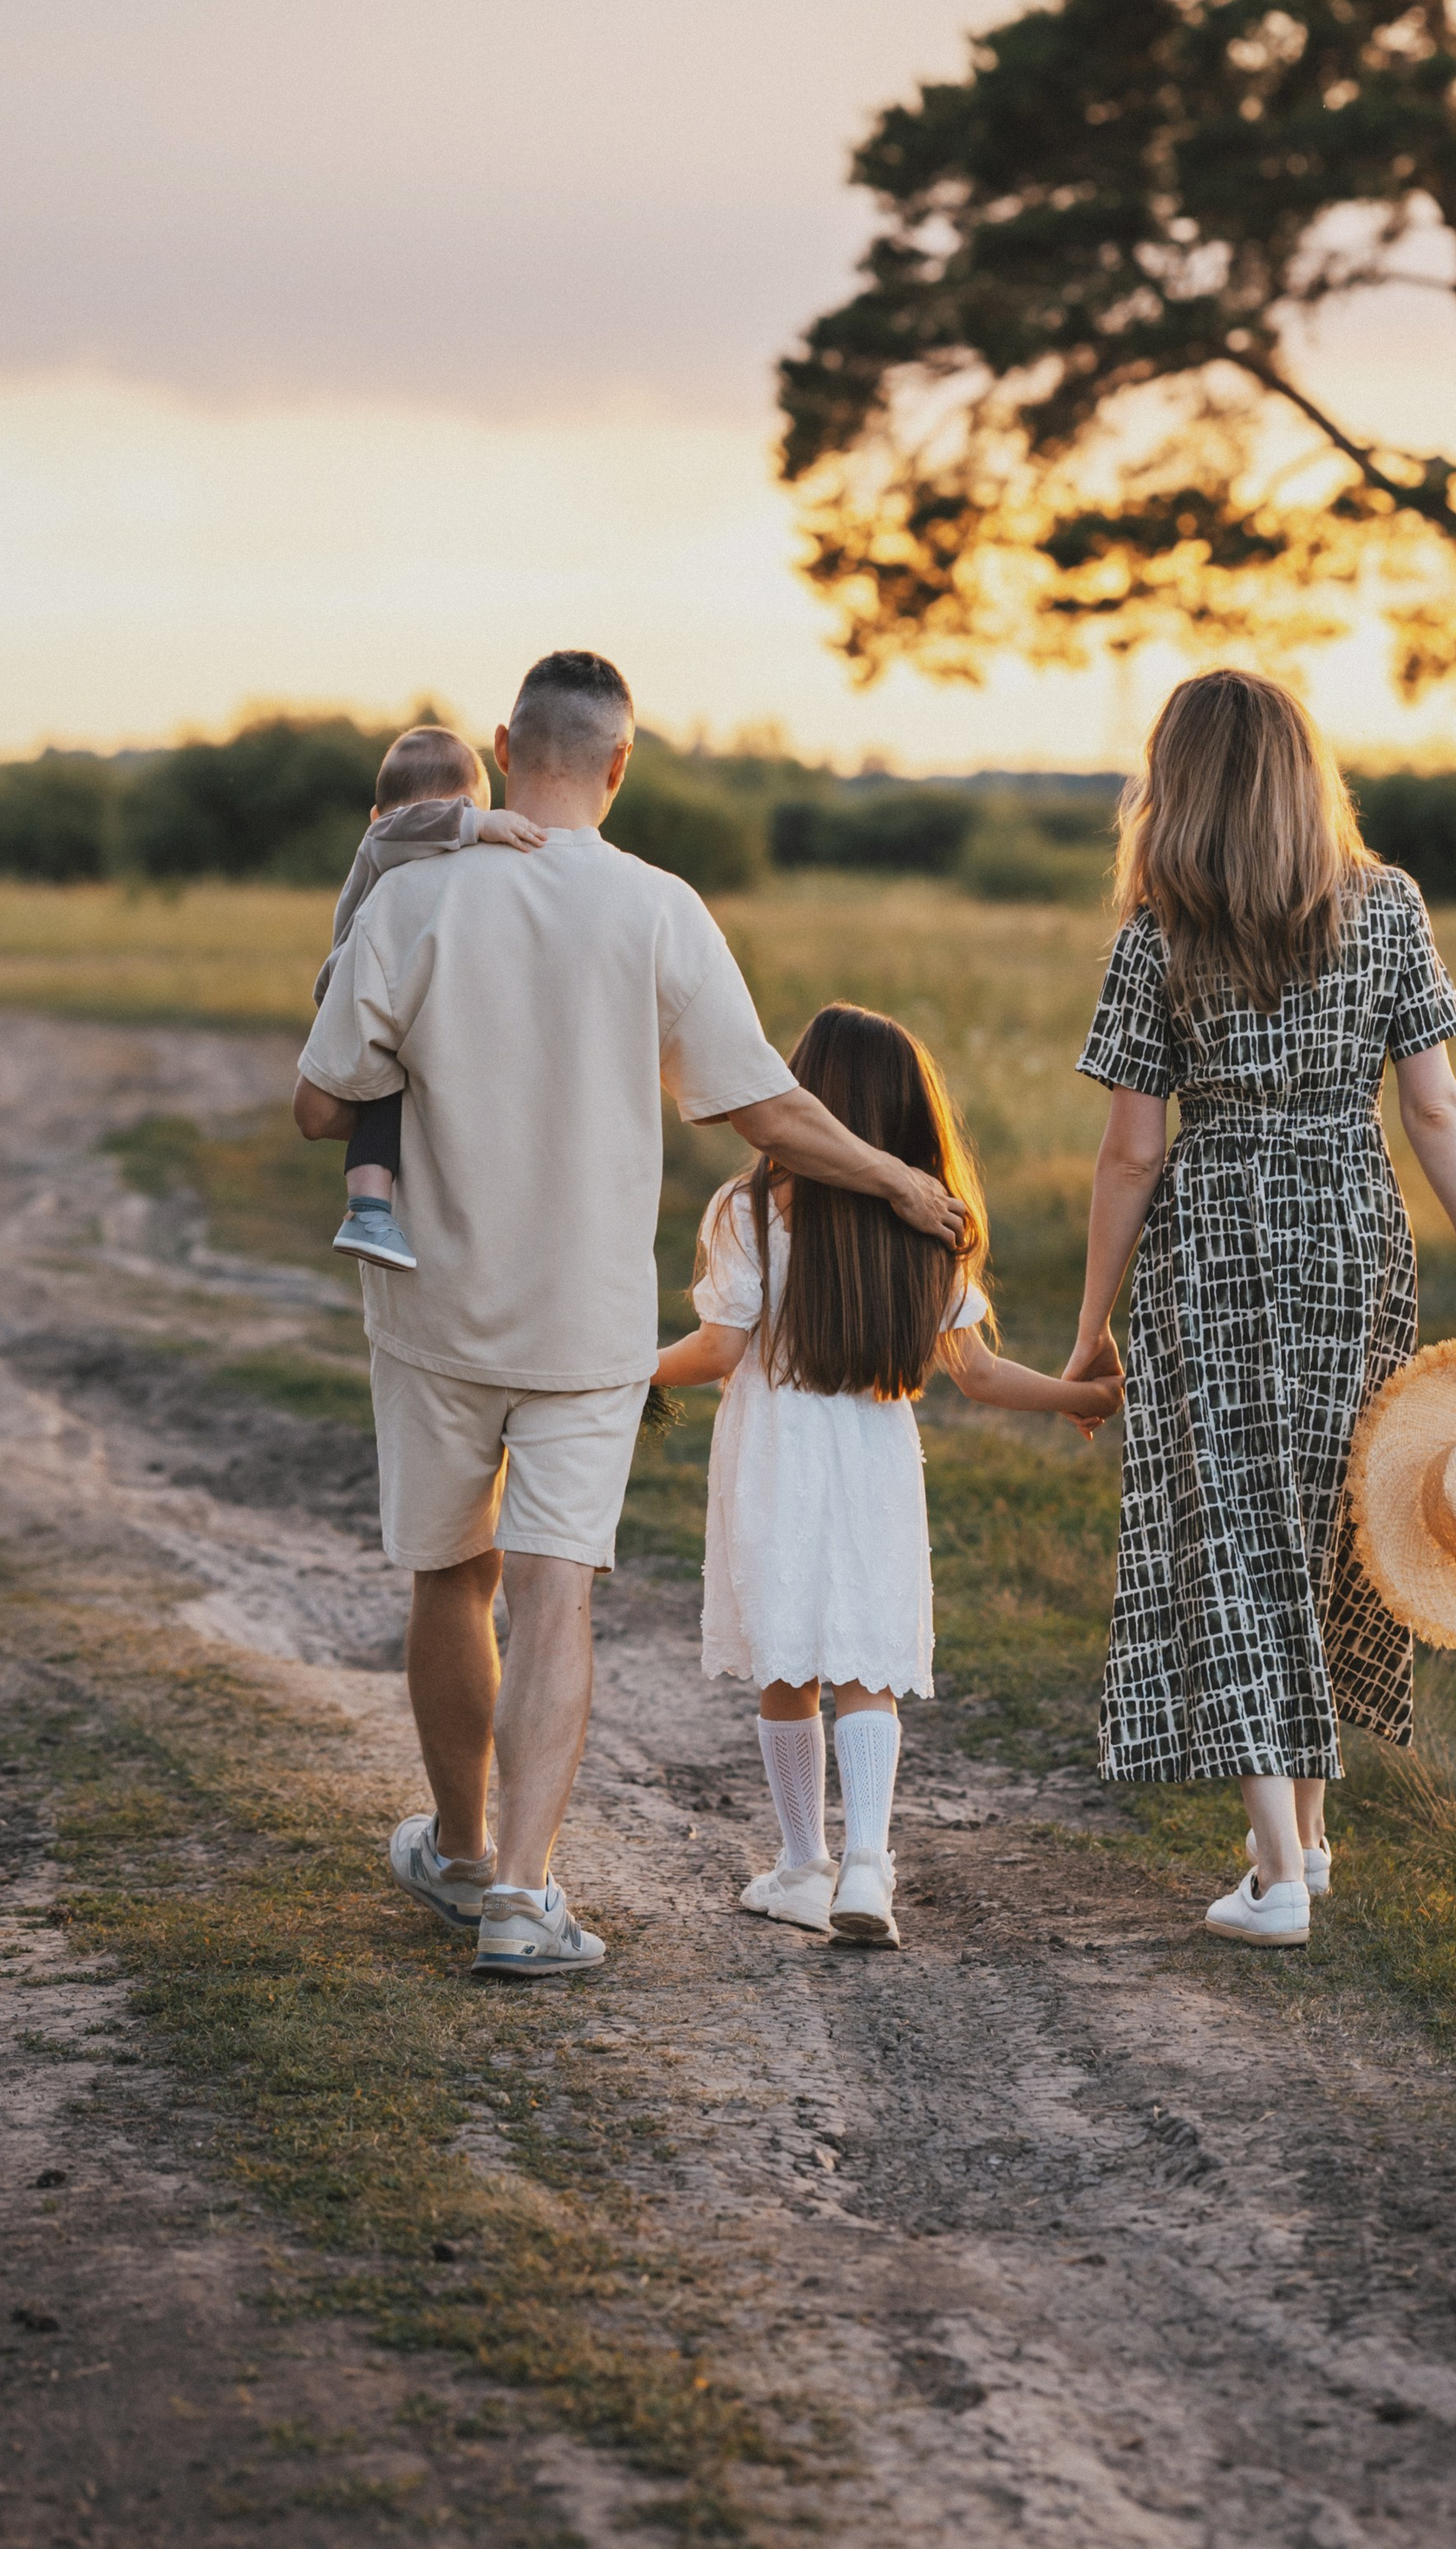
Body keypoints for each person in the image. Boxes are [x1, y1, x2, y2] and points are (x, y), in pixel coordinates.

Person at [293, 651, 966, 1979]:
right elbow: (764, 1107)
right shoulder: (660, 909)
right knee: (555, 1598)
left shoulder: (415, 895)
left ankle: (460, 1849)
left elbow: (322, 1106)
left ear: (504, 747)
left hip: (432, 1312)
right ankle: (521, 1899)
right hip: (587, 1327)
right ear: (620, 764)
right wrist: (898, 1180)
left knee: (451, 1576)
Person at [1061, 670, 1456, 1951]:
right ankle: (1306, 1844)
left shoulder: (1158, 935)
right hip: (1352, 1233)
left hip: (1213, 1236)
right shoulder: (1388, 908)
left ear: (1177, 784)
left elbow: (1131, 1154)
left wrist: (1092, 1324)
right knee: (1323, 1521)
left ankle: (1273, 1880)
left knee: (1234, 1531)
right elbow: (1434, 1105)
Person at [653, 1003, 1118, 1951]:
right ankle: (867, 1864)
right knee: (865, 1661)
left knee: (788, 1663)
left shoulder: (748, 1209)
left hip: (774, 1452)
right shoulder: (924, 1222)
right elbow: (977, 1373)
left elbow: (718, 1349)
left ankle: (802, 1870)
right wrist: (1082, 1394)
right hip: (873, 1458)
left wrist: (627, 1371)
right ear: (910, 1112)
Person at [312, 723, 547, 1275]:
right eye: (459, 818)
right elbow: (414, 822)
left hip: (382, 989)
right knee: (381, 1097)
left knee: (394, 1097)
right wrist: (478, 823)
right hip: (358, 989)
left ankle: (377, 1208)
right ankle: (367, 1210)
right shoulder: (387, 839)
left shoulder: (409, 855)